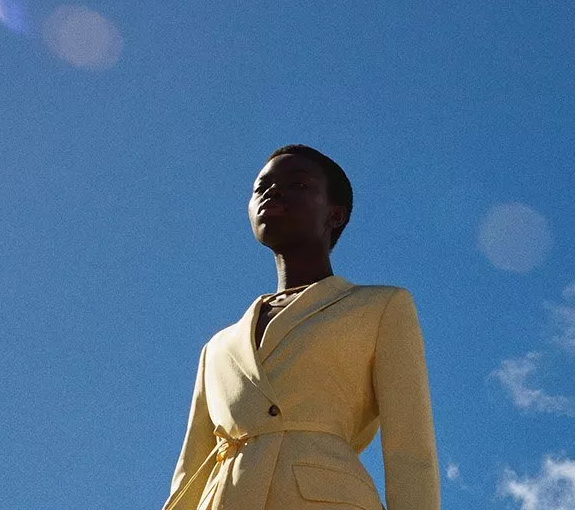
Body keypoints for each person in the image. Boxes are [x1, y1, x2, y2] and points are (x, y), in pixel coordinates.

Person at [164, 145, 438, 510]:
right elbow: (190, 474)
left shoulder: (380, 306)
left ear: (335, 215)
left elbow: (411, 450)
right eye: (261, 187)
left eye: (298, 184)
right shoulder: (217, 346)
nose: (272, 192)